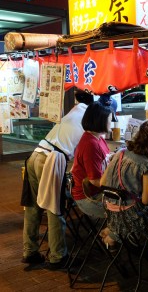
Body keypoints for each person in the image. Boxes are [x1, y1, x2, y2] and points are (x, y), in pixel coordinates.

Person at [21, 90, 94, 269]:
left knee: (33, 207)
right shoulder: (90, 118)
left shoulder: (74, 111)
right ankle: (58, 256)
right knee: (55, 207)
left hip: (36, 154)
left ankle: (29, 251)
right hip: (51, 160)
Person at [99, 119, 148, 255]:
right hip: (131, 216)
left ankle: (113, 233)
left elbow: (102, 183)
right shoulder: (147, 164)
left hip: (111, 212)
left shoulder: (121, 153)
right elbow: (145, 201)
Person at [71, 102, 112, 219]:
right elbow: (95, 181)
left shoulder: (98, 138)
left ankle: (110, 232)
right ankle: (110, 235)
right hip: (89, 198)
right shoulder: (90, 144)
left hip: (96, 193)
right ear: (101, 121)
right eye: (109, 119)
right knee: (129, 208)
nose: (111, 122)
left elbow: (105, 158)